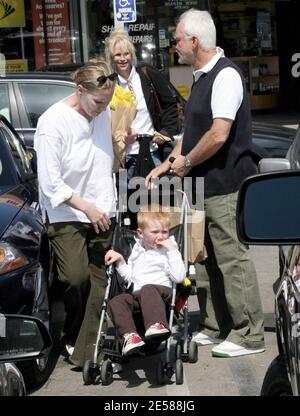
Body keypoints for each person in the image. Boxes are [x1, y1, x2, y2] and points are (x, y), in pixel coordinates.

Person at [146, 9, 265, 358]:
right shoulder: (201, 76)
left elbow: (218, 134)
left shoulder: (226, 76)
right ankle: (218, 326)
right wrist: (168, 165)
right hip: (200, 186)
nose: (174, 47)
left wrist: (185, 162)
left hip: (226, 184)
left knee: (231, 259)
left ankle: (248, 334)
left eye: (177, 40)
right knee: (205, 260)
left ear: (195, 41)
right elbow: (191, 134)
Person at [34, 60, 117, 367]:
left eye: (107, 102)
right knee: (74, 278)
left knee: (99, 281)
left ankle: (87, 349)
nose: (102, 108)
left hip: (103, 206)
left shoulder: (103, 110)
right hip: (66, 211)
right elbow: (50, 182)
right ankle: (72, 330)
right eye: (98, 102)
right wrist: (86, 207)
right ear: (79, 90)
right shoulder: (52, 122)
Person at [104, 205, 185, 356]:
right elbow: (130, 278)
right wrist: (121, 261)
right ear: (140, 233)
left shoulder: (169, 249)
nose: (161, 236)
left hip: (162, 293)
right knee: (116, 301)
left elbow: (179, 277)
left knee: (148, 288)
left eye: (165, 231)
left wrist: (172, 251)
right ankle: (130, 336)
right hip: (139, 295)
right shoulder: (137, 250)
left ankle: (157, 324)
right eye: (155, 232)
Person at [105, 29, 179, 180]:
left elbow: (170, 105)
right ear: (112, 58)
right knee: (128, 202)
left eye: (126, 54)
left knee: (157, 201)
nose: (123, 59)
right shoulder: (110, 84)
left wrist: (165, 133)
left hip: (152, 153)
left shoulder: (147, 75)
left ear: (132, 55)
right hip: (123, 158)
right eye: (118, 55)